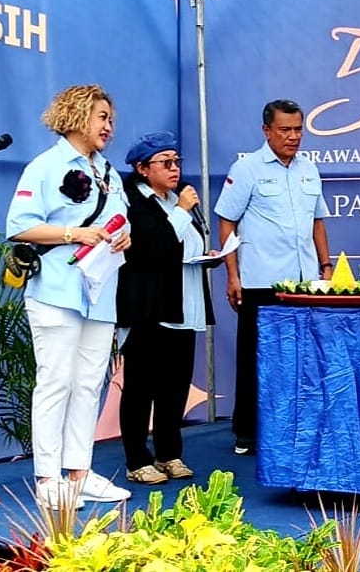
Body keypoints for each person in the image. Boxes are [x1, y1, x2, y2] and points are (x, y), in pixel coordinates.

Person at [5, 84, 132, 509]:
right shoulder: (45, 166)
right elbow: (20, 226)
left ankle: (79, 472)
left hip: (100, 291)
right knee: (55, 382)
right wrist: (74, 233)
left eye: (110, 119)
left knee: (89, 383)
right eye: (102, 118)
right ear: (77, 116)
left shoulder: (109, 172)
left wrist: (124, 237)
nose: (109, 127)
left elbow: (121, 221)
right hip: (56, 290)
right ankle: (48, 478)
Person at [214, 99, 333, 456]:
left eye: (298, 130)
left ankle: (296, 428)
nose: (293, 137)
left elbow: (317, 221)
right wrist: (232, 275)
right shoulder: (246, 169)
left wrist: (326, 267)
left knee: (302, 358)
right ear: (266, 131)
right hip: (260, 281)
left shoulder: (309, 169)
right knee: (256, 358)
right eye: (285, 130)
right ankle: (247, 432)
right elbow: (227, 222)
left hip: (303, 284)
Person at [116, 132, 217, 485]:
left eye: (177, 162)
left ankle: (168, 453)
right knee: (140, 387)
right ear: (143, 169)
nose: (175, 169)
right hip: (149, 306)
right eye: (166, 163)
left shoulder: (176, 199)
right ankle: (136, 459)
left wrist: (208, 255)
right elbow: (150, 247)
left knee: (174, 386)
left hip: (184, 304)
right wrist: (182, 211)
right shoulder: (132, 201)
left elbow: (184, 244)